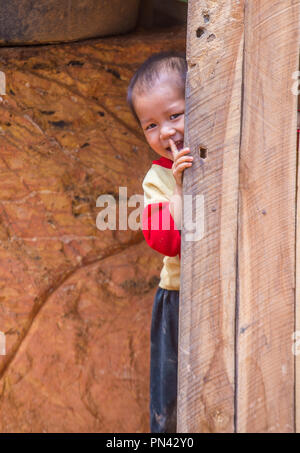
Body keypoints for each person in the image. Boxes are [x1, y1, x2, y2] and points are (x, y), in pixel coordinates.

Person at [127, 50, 193, 433]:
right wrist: (182, 193)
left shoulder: (234, 147)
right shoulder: (158, 180)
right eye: (150, 125)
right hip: (180, 299)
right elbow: (165, 241)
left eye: (174, 115)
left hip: (245, 288)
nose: (165, 132)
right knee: (173, 403)